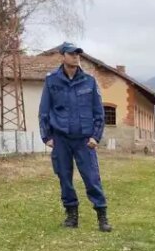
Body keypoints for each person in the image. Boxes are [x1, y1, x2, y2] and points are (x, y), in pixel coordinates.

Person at [39, 42, 112, 232]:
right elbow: (44, 111)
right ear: (63, 56)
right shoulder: (52, 81)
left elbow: (99, 112)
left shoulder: (89, 81)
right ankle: (71, 216)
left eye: (77, 54)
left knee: (92, 178)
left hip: (84, 140)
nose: (75, 57)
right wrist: (47, 136)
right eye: (71, 54)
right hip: (61, 139)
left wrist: (96, 137)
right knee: (64, 177)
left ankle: (102, 216)